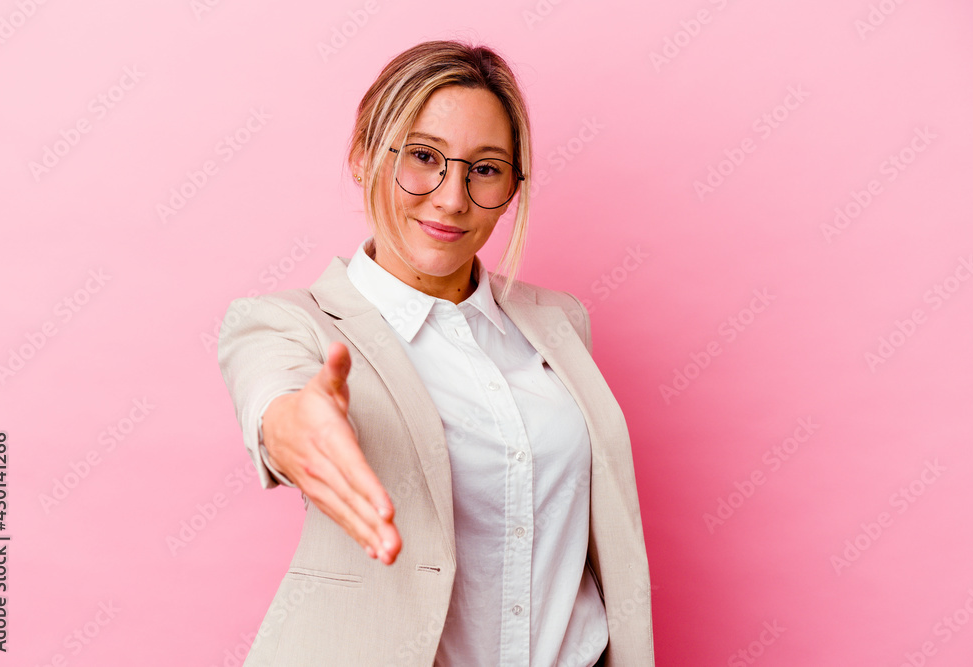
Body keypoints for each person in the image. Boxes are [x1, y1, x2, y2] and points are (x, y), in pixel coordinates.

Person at [217, 39, 655, 667]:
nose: (452, 198)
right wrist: (289, 427)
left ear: (512, 186)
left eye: (486, 168)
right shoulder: (289, 324)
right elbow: (273, 396)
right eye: (424, 156)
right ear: (363, 156)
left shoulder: (560, 323)